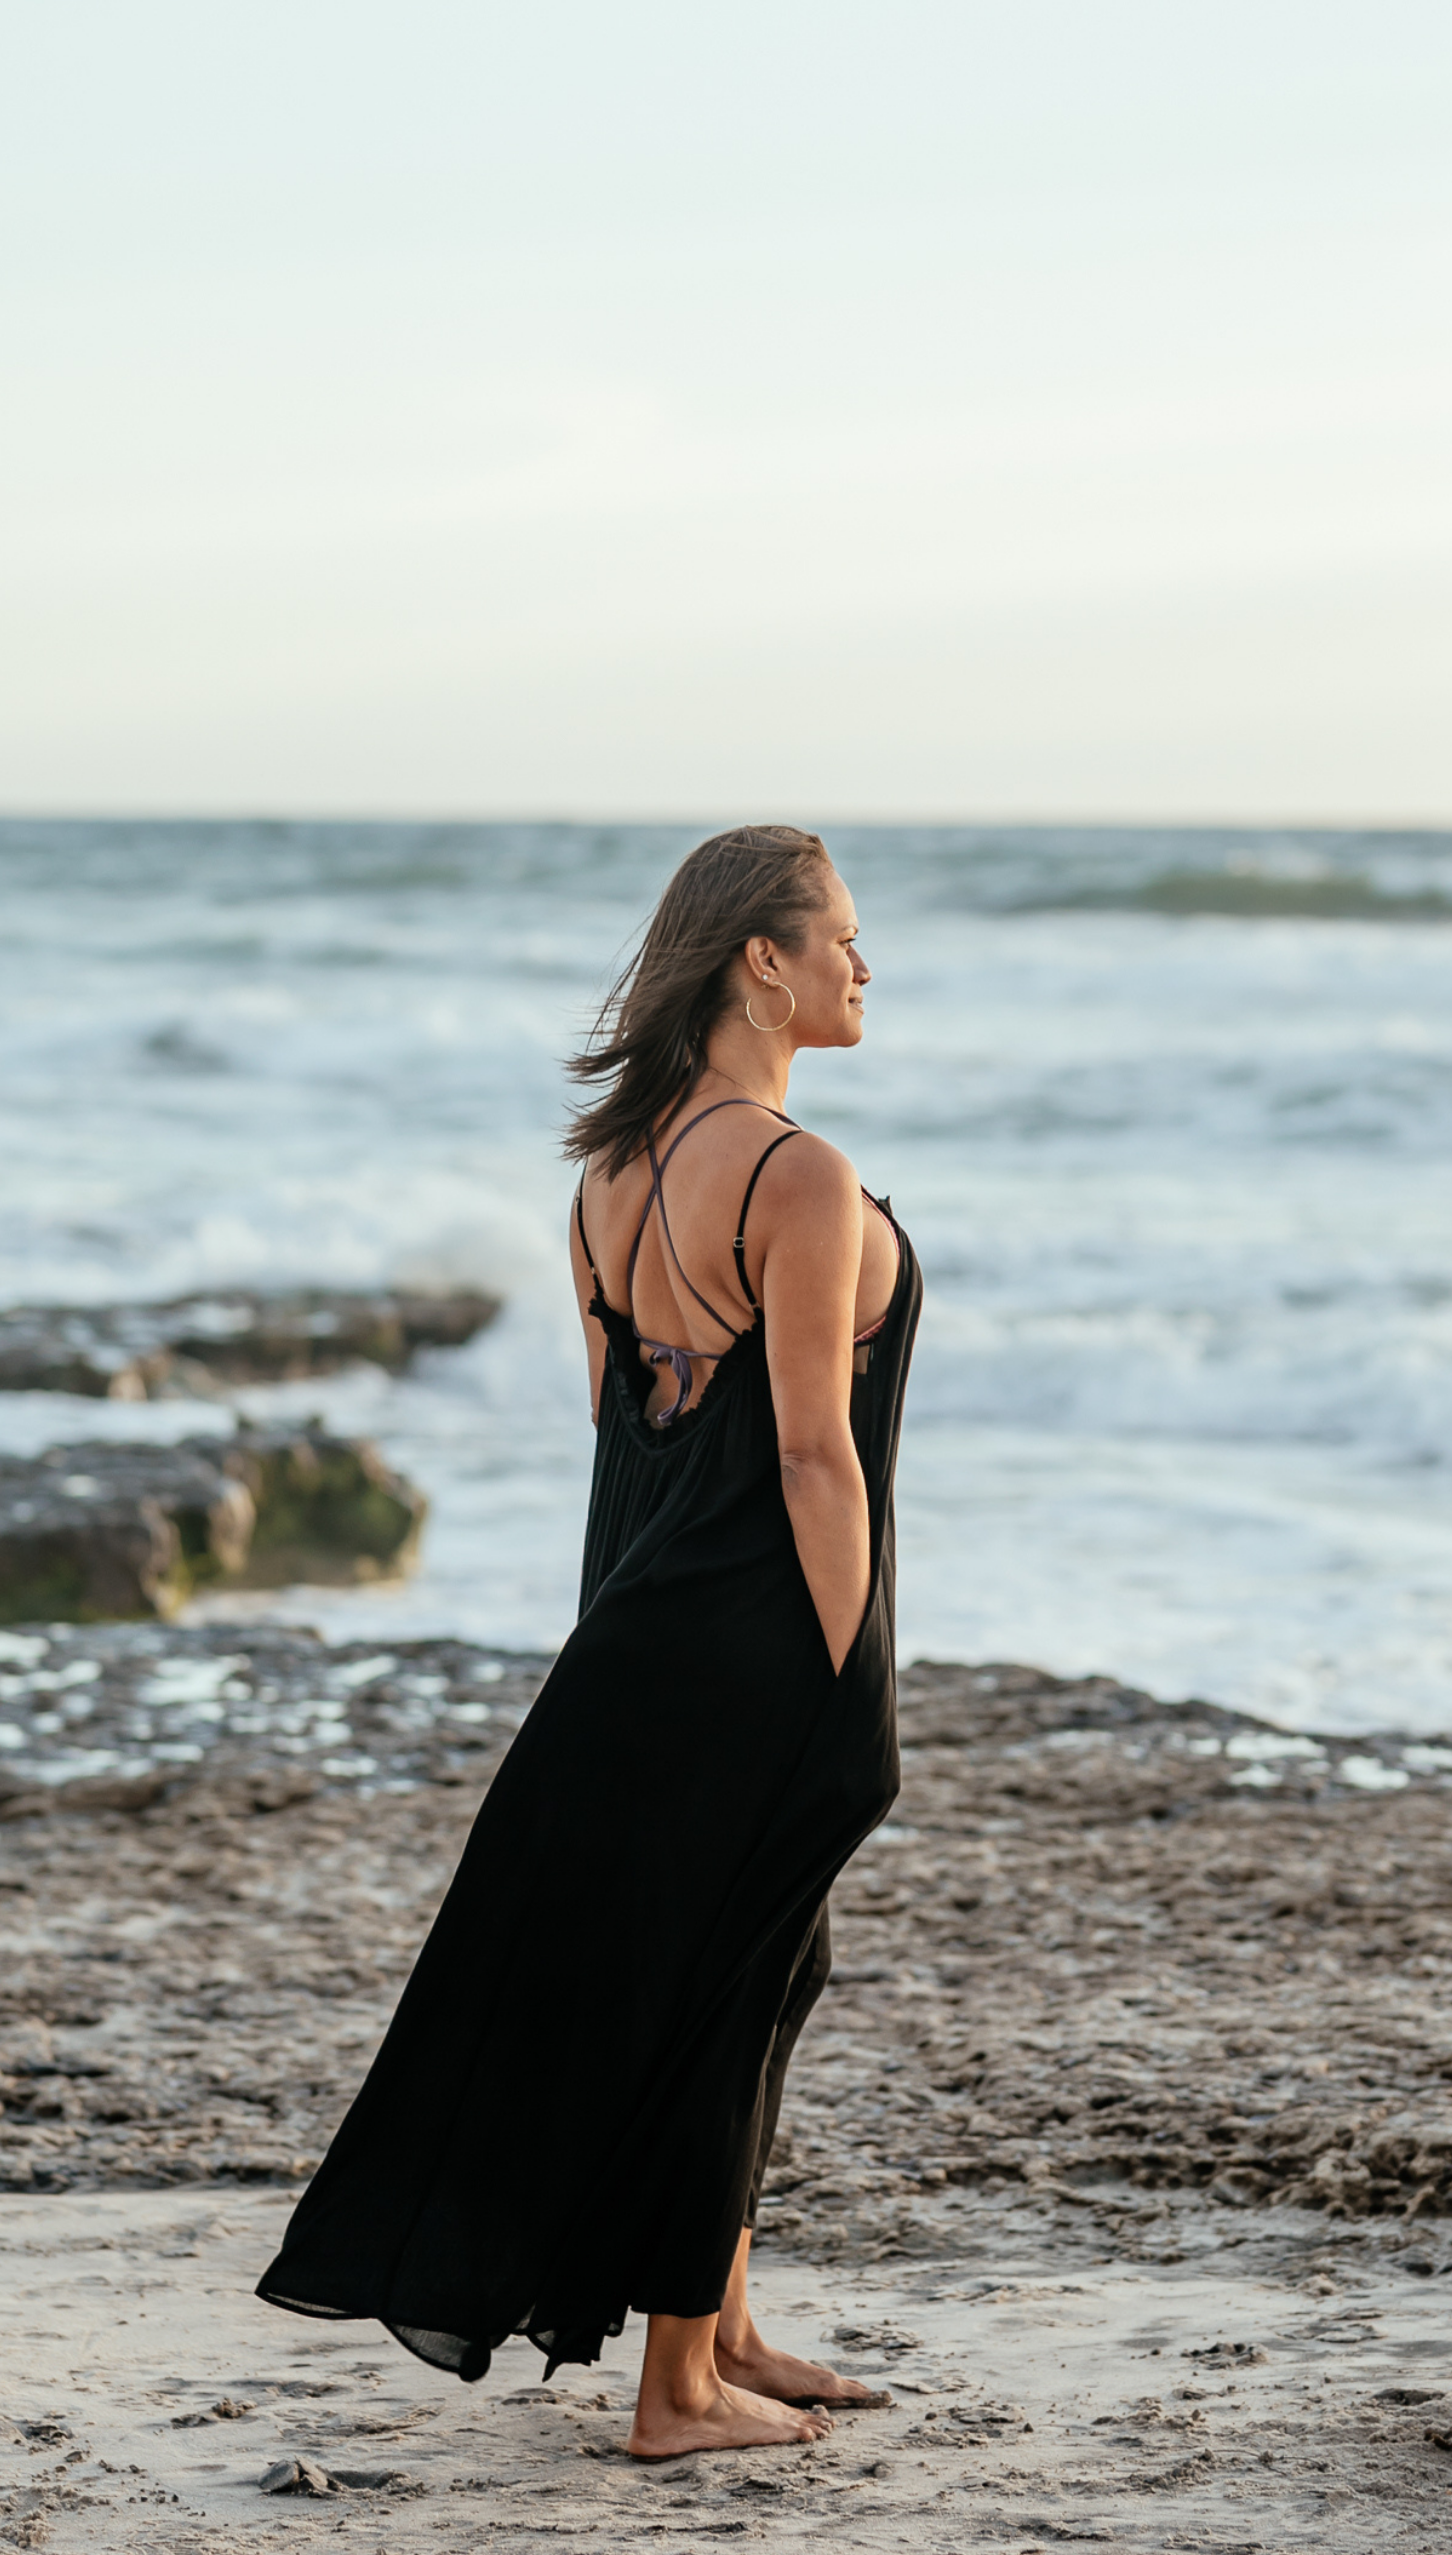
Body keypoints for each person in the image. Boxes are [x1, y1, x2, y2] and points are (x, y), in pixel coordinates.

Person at [256, 825, 921, 2460]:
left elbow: (623, 1446)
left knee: (772, 1970)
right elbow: (810, 1457)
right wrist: (849, 1686)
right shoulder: (794, 1174)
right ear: (759, 961)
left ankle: (727, 2324)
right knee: (733, 1976)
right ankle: (675, 2396)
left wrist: (604, 1661)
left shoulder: (610, 1178)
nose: (860, 960)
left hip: (643, 1625)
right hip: (761, 1640)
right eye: (838, 933)